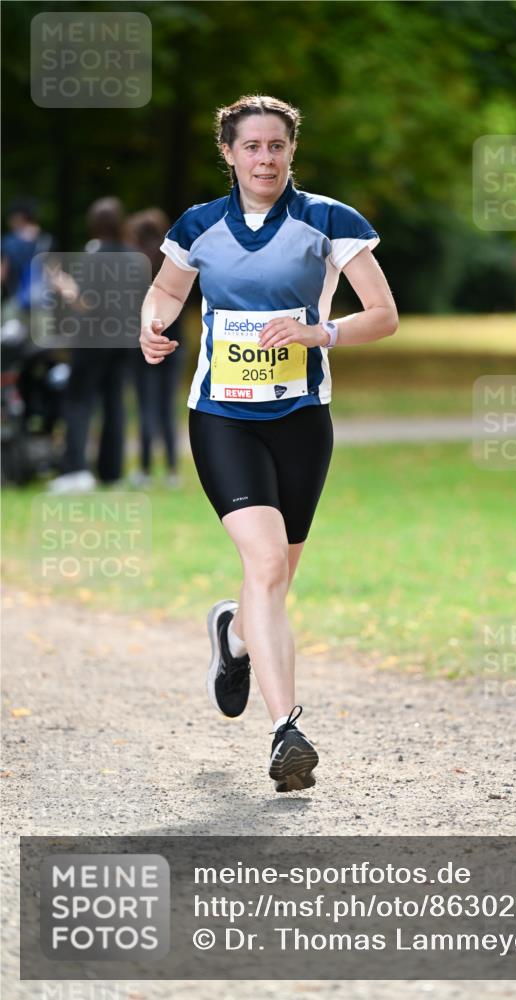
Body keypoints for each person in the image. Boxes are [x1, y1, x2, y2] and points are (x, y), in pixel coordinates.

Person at [139, 95, 398, 791]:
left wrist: (321, 332)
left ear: (291, 151)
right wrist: (153, 326)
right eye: (250, 146)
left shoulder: (329, 221)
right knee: (265, 566)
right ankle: (287, 731)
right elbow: (165, 292)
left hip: (301, 418)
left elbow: (383, 316)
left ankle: (231, 634)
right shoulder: (199, 226)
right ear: (228, 153)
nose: (264, 158)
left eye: (276, 146)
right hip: (222, 416)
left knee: (275, 578)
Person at [50, 197, 134, 493]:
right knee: (114, 405)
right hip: (123, 340)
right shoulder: (130, 254)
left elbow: (85, 301)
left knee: (78, 401)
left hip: (92, 339)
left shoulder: (94, 255)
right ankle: (112, 473)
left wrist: (63, 284)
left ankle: (76, 470)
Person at [125, 209, 184, 488]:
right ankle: (173, 468)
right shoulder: (172, 262)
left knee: (146, 406)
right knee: (167, 408)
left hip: (146, 344)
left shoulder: (134, 265)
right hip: (174, 343)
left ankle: (146, 468)